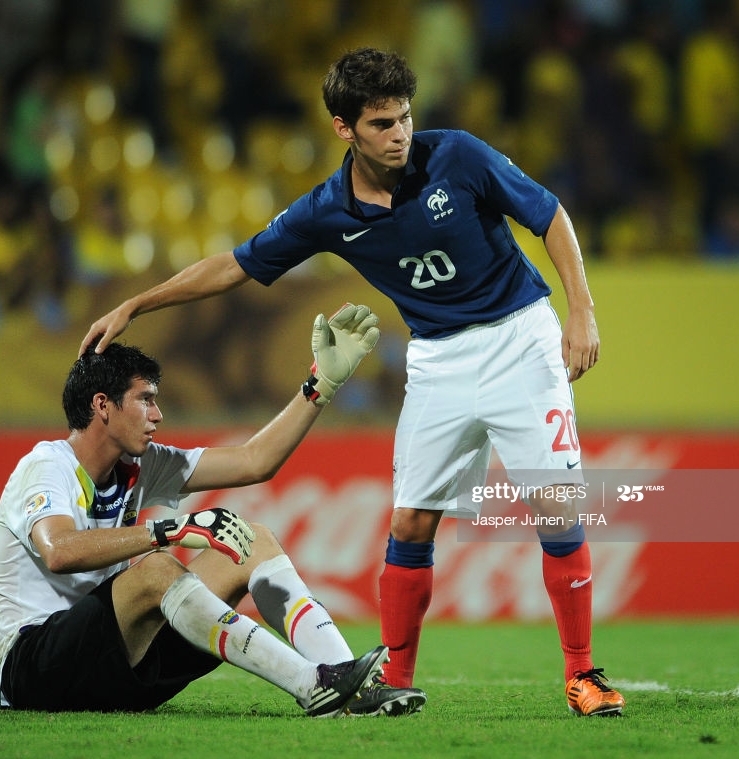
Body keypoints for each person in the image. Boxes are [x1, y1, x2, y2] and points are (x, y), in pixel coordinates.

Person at [80, 47, 624, 717]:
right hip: (437, 359)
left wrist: (581, 310)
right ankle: (395, 680)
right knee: (411, 520)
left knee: (557, 506)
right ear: (344, 128)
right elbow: (234, 265)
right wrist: (137, 303)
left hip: (519, 337)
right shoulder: (326, 211)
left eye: (403, 118)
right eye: (381, 124)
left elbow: (549, 214)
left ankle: (582, 674)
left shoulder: (458, 155)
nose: (399, 134)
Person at [0, 303, 428, 717]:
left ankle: (351, 686)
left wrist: (321, 386)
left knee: (253, 539)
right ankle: (311, 685)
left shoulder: (142, 463)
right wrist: (170, 531)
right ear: (102, 405)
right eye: (145, 399)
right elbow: (60, 551)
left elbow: (254, 460)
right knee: (157, 568)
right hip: (31, 668)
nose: (157, 414)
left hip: (114, 664)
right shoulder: (47, 466)